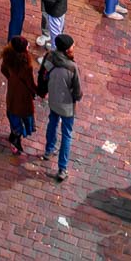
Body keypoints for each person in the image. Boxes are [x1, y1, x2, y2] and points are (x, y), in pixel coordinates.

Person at [37, 31, 82, 181]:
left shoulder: (49, 57)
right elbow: (77, 90)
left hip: (53, 100)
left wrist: (42, 91)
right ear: (67, 49)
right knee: (67, 134)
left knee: (52, 122)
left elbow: (41, 75)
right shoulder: (72, 67)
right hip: (67, 105)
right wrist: (77, 98)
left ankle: (49, 150)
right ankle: (62, 168)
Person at [0, 36, 37, 155]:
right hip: (23, 97)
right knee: (22, 118)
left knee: (13, 116)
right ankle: (15, 141)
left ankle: (14, 135)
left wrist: (11, 80)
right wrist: (37, 91)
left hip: (12, 94)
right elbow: (30, 83)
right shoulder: (26, 65)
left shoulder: (7, 59)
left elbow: (3, 70)